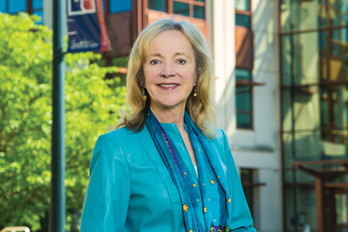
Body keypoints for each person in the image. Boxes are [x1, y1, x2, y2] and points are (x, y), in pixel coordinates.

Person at [80, 19, 256, 232]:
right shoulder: (116, 149)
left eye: (180, 61)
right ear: (141, 77)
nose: (167, 71)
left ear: (197, 75)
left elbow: (241, 226)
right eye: (155, 61)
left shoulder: (218, 143)